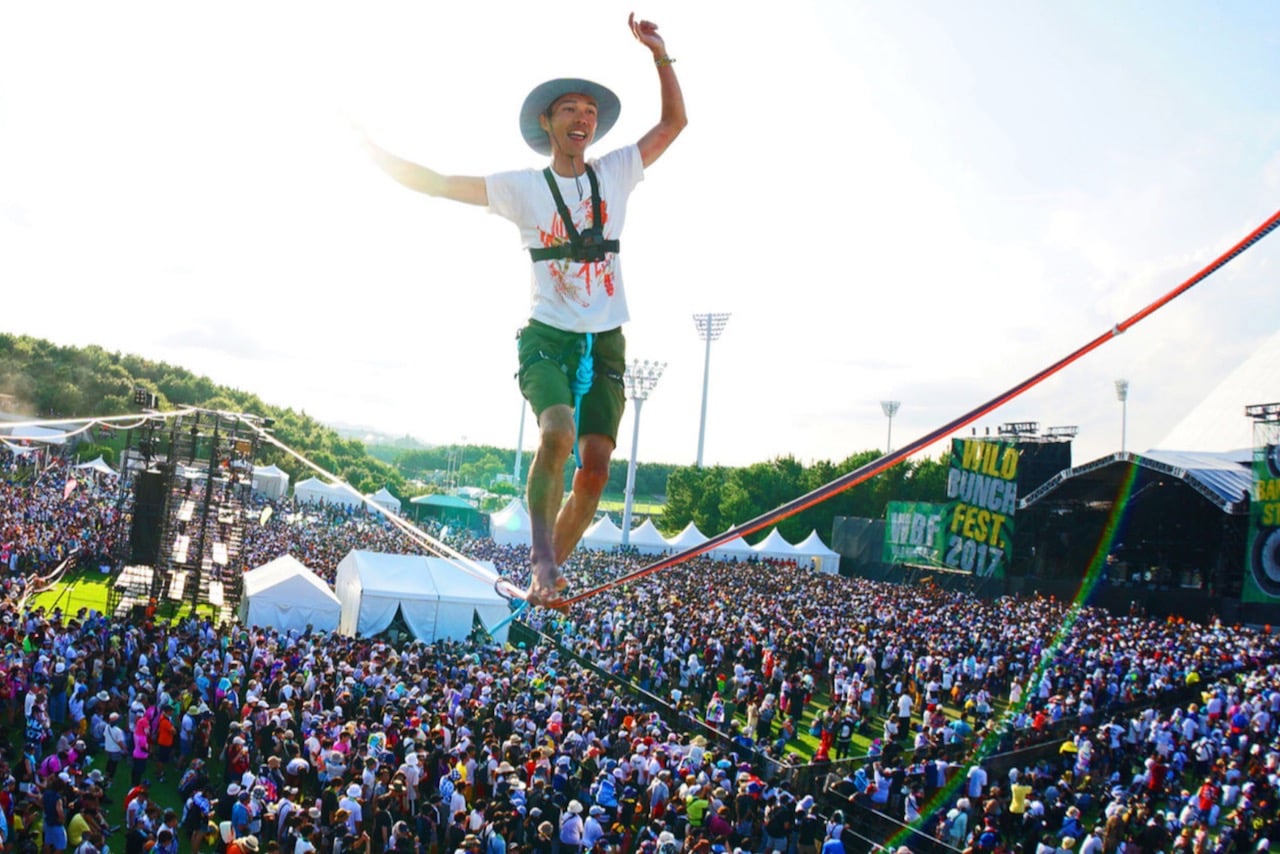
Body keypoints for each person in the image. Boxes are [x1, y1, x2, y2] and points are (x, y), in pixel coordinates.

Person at [361, 13, 686, 606]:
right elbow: (438, 183)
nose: (582, 118)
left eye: (590, 112)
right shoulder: (523, 188)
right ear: (547, 124)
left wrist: (660, 54)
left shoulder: (615, 172)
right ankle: (540, 562)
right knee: (557, 433)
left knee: (595, 472)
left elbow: (673, 124)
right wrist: (375, 155)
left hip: (607, 338)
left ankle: (548, 577)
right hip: (548, 336)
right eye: (570, 110)